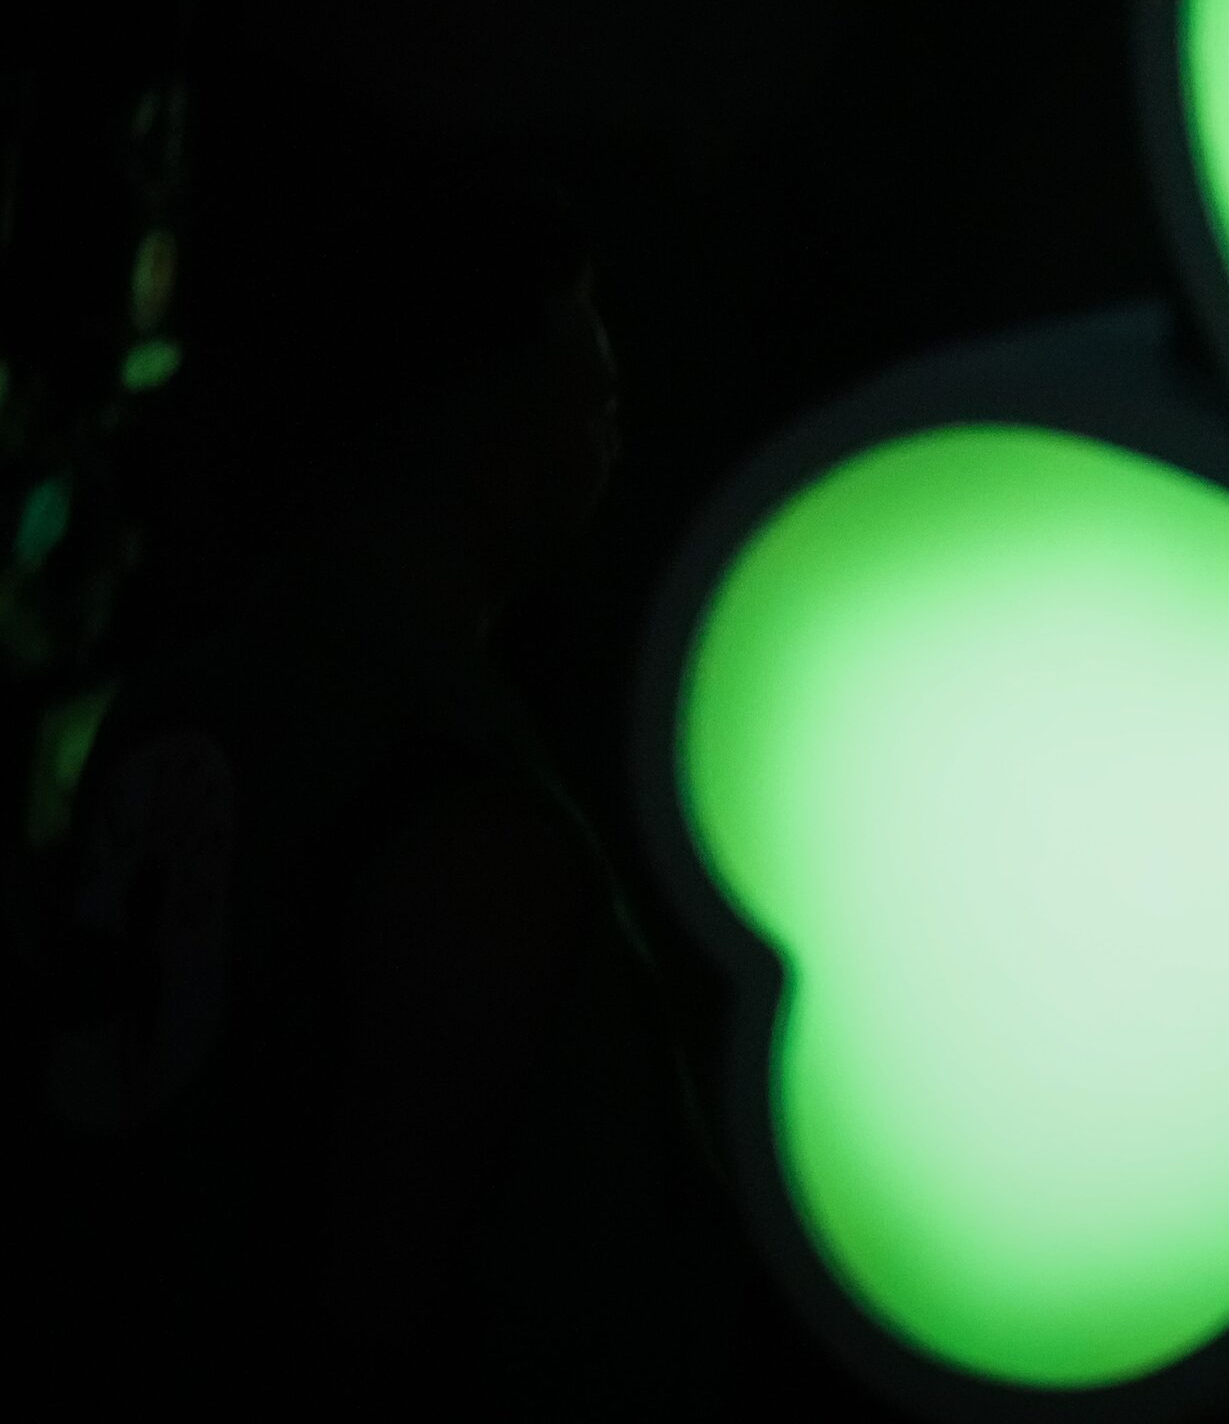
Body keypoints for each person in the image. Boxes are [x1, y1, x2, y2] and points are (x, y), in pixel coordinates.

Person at [12, 125, 753, 1415]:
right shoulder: (464, 814)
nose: (608, 386)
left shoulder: (184, 706)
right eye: (573, 332)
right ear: (480, 399)